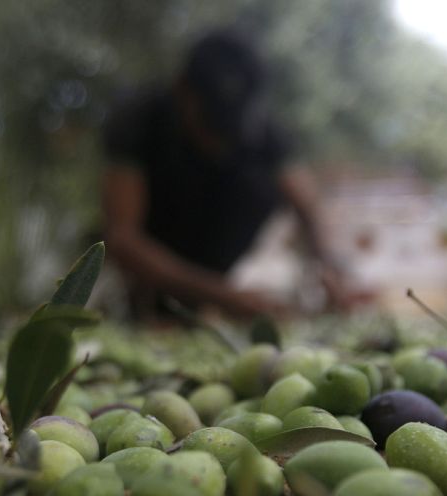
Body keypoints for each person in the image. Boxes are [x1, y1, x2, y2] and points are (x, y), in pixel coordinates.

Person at [101, 29, 355, 318]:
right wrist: (222, 295)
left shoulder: (263, 133)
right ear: (183, 91)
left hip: (217, 267)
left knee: (259, 180)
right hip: (152, 273)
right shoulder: (140, 121)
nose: (221, 141)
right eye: (212, 121)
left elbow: (308, 205)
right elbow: (123, 238)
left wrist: (329, 263)